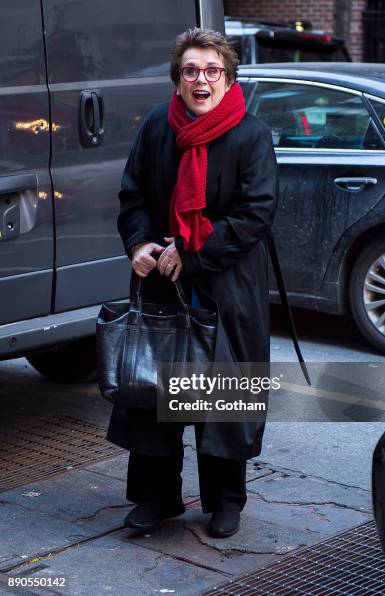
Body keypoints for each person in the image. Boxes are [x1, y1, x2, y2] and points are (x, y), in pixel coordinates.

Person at [107, 27, 278, 538]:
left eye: (211, 70)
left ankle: (225, 500)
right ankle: (158, 498)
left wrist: (195, 252)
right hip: (163, 281)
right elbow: (131, 194)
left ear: (227, 77)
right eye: (190, 70)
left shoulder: (251, 134)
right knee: (156, 393)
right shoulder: (158, 125)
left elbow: (256, 212)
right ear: (177, 79)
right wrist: (139, 243)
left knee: (222, 396)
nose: (200, 79)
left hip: (226, 286)